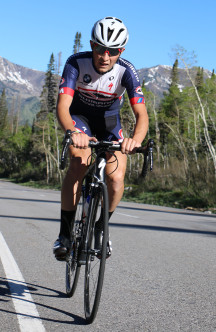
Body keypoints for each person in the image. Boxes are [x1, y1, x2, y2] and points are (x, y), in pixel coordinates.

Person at [53, 16, 149, 260]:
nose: (105, 56)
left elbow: (141, 115)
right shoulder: (76, 63)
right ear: (92, 45)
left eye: (113, 51)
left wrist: (135, 141)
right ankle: (65, 234)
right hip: (80, 120)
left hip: (109, 124)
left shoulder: (126, 71)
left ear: (121, 51)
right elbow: (63, 106)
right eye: (100, 48)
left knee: (116, 179)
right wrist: (72, 132)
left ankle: (100, 227)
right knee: (78, 163)